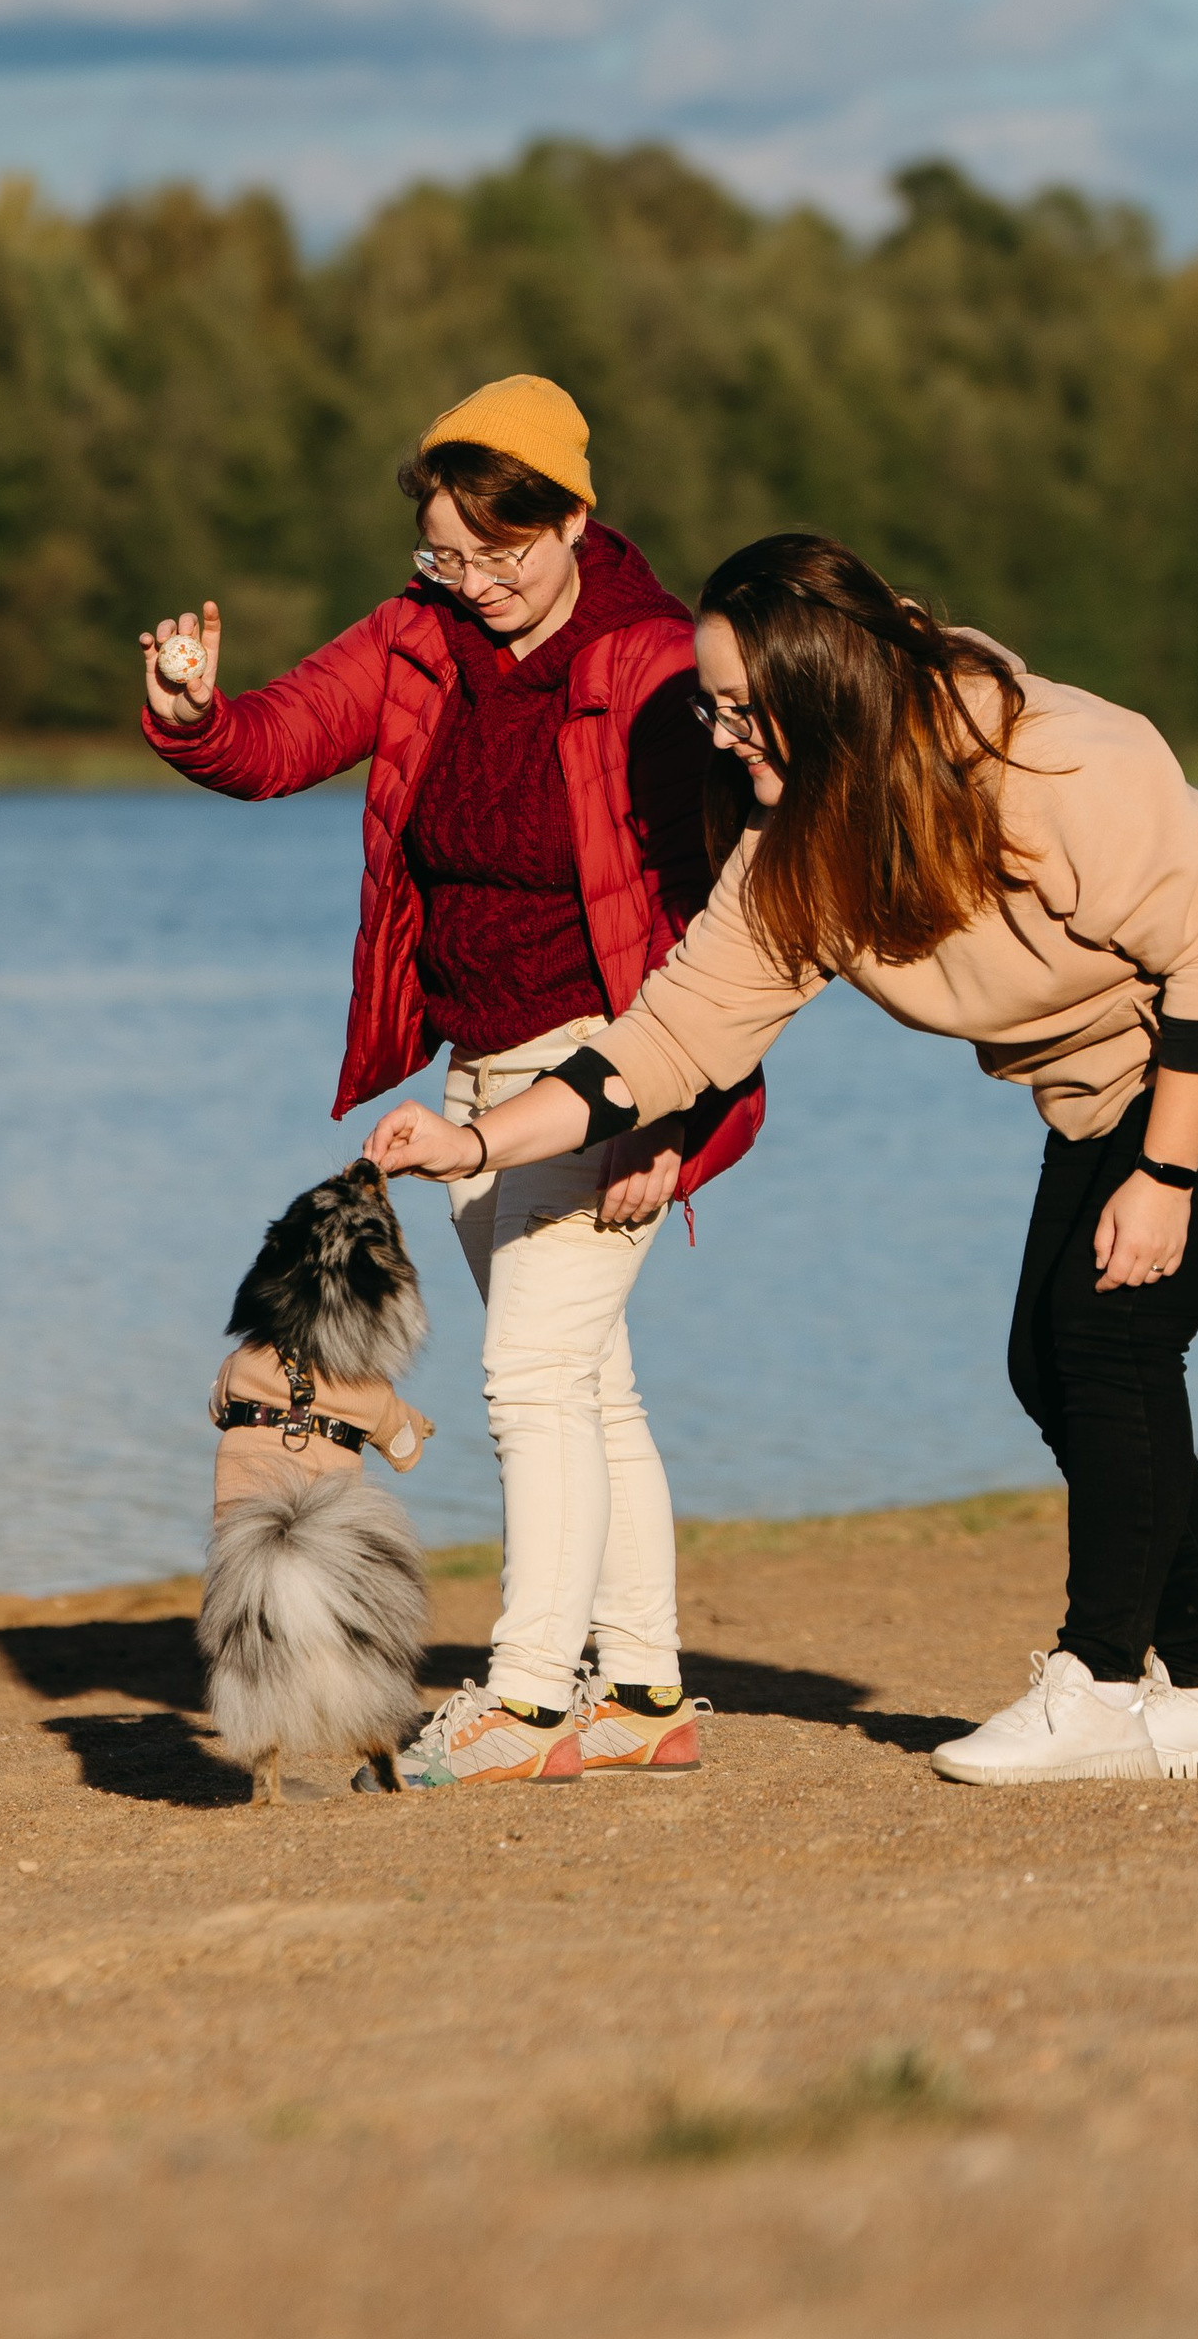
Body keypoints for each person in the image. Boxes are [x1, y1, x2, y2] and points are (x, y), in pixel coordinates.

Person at [366, 531, 1198, 1787]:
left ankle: (1094, 1682)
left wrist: (1168, 1178)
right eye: (709, 706)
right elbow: (668, 1040)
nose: (719, 734)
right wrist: (475, 1138)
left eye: (743, 708)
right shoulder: (797, 848)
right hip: (1116, 1070)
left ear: (825, 690)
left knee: (1111, 1332)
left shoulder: (1047, 757)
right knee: (1050, 1360)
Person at [141, 375, 762, 1791]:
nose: (475, 583)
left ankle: (532, 1694)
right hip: (483, 1068)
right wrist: (193, 714)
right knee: (590, 1387)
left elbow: (742, 920)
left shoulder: (658, 661)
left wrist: (688, 1114)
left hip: (616, 1061)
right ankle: (647, 1685)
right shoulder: (421, 635)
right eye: (447, 554)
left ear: (575, 518)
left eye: (504, 553)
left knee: (532, 1377)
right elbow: (278, 739)